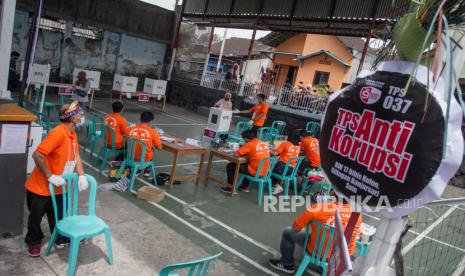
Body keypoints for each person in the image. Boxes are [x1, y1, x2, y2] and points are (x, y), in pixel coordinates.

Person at [24, 101, 89, 257]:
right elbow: (37, 155)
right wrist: (50, 175)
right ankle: (33, 241)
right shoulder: (58, 133)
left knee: (59, 216)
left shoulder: (72, 133)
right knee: (36, 219)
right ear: (73, 118)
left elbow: (76, 155)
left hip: (60, 186)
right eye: (79, 114)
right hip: (41, 187)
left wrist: (81, 175)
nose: (82, 116)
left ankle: (60, 237)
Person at [269, 192, 362, 274]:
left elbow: (296, 226)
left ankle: (287, 264)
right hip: (340, 258)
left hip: (317, 251)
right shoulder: (357, 214)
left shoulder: (318, 208)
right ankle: (325, 267)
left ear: (333, 194)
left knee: (288, 232)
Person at [221, 129, 270, 194]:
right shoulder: (262, 143)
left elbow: (236, 154)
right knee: (248, 164)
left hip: (256, 171)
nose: (244, 141)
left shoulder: (250, 144)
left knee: (230, 166)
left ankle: (230, 188)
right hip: (265, 171)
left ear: (246, 139)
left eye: (244, 140)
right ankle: (244, 186)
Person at [125, 111, 162, 176]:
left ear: (140, 119)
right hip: (144, 158)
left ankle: (136, 169)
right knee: (151, 149)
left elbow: (124, 142)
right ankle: (147, 170)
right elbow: (159, 148)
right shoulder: (153, 132)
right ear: (151, 121)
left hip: (129, 156)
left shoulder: (129, 129)